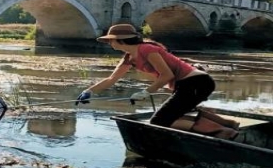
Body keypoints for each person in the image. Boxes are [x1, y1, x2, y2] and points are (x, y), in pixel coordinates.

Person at [75, 23, 237, 136]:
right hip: (186, 85)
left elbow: (167, 75)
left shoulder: (147, 49)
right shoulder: (129, 57)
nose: (109, 42)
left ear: (120, 40)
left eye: (110, 39)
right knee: (178, 111)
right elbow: (112, 79)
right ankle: (228, 123)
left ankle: (221, 131)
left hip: (196, 83)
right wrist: (88, 91)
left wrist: (145, 92)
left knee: (159, 121)